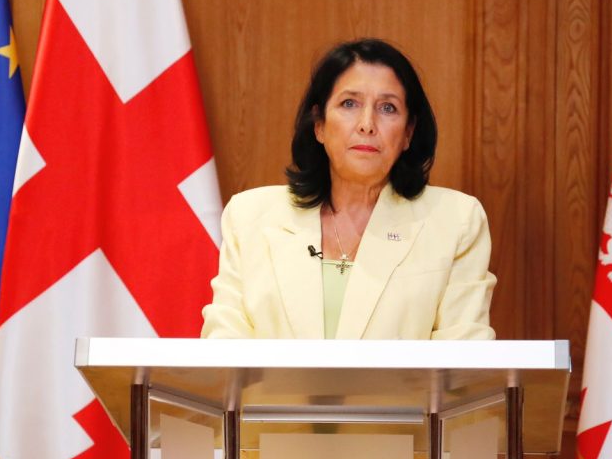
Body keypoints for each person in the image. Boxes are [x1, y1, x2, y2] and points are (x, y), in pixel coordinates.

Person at [201, 38, 496, 340]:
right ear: (319, 125)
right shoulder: (250, 217)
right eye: (349, 104)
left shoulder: (455, 221)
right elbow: (224, 349)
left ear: (408, 132)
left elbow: (463, 356)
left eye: (388, 108)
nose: (367, 124)